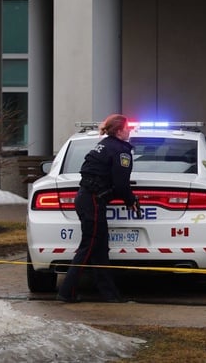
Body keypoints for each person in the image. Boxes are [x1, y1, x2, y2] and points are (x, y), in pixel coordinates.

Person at [57, 114, 140, 303]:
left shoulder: (104, 145)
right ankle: (66, 292)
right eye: (127, 128)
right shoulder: (121, 151)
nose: (130, 131)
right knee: (88, 247)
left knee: (100, 249)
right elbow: (121, 184)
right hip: (93, 201)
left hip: (87, 199)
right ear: (119, 131)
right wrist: (131, 200)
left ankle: (110, 295)